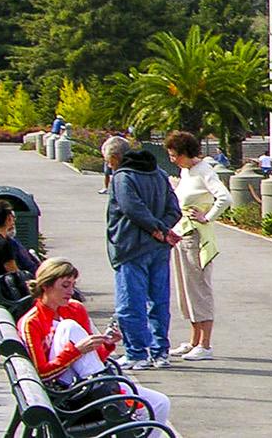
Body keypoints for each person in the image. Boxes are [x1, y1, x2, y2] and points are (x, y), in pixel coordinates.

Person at [17, 258, 171, 426]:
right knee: (68, 326)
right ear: (46, 286)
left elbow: (91, 359)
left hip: (90, 381)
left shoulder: (75, 309)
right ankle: (110, 393)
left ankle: (109, 391)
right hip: (64, 390)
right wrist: (76, 351)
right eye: (65, 285)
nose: (71, 291)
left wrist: (106, 344)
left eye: (73, 285)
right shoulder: (32, 321)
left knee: (160, 403)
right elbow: (42, 374)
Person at [103, 136, 183, 370]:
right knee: (158, 301)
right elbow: (173, 208)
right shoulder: (158, 173)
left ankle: (136, 352)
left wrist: (156, 229)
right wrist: (162, 228)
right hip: (158, 250)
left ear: (115, 158)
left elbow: (131, 208)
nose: (108, 166)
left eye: (108, 161)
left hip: (130, 248)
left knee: (130, 303)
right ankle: (160, 352)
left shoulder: (122, 176)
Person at [163, 131, 230, 361]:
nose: (172, 159)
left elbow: (225, 197)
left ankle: (205, 343)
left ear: (185, 153)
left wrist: (208, 216)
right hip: (182, 233)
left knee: (199, 288)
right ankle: (194, 339)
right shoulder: (186, 171)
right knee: (186, 289)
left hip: (197, 236)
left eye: (174, 155)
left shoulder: (205, 171)